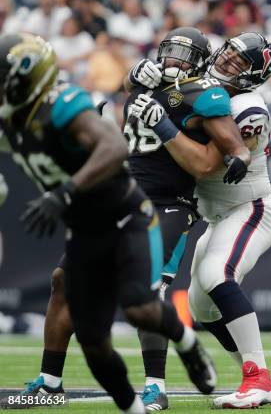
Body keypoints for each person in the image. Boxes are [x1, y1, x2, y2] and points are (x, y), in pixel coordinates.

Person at [7, 26, 251, 412]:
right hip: (119, 198)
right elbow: (127, 85)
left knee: (146, 292)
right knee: (63, 280)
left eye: (183, 55)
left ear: (199, 62)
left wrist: (239, 154)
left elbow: (226, 146)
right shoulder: (145, 79)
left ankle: (156, 385)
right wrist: (134, 73)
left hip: (168, 202)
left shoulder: (203, 92)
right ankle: (50, 383)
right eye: (169, 51)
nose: (172, 60)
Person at [131, 32, 271, 409]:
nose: (228, 61)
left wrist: (164, 123)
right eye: (229, 52)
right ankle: (263, 380)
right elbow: (143, 89)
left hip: (250, 209)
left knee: (218, 274)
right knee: (202, 309)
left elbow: (206, 163)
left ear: (254, 76)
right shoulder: (196, 85)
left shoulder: (248, 106)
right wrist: (138, 75)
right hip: (216, 217)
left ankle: (258, 378)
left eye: (239, 61)